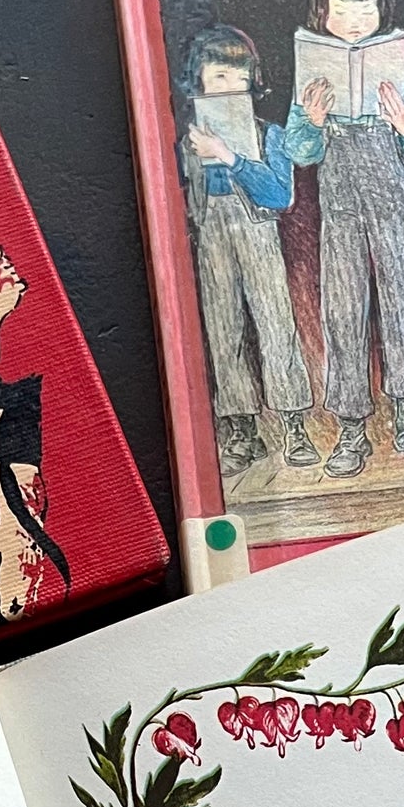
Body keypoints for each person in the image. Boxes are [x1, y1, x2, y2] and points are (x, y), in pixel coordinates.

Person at [283, 0, 404, 480]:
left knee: (400, 298)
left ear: (381, 8)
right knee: (343, 307)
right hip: (341, 198)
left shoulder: (394, 64)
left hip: (392, 190)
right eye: (341, 11)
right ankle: (351, 426)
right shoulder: (311, 77)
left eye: (364, 10)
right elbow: (300, 152)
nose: (353, 22)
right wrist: (312, 119)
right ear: (321, 13)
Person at [179, 24, 321, 479]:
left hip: (258, 234)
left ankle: (294, 426)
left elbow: (280, 196)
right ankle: (242, 429)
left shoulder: (269, 134)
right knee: (224, 331)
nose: (229, 86)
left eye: (239, 78)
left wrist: (231, 157)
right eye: (218, 76)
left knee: (276, 325)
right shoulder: (184, 144)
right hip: (211, 239)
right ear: (199, 80)